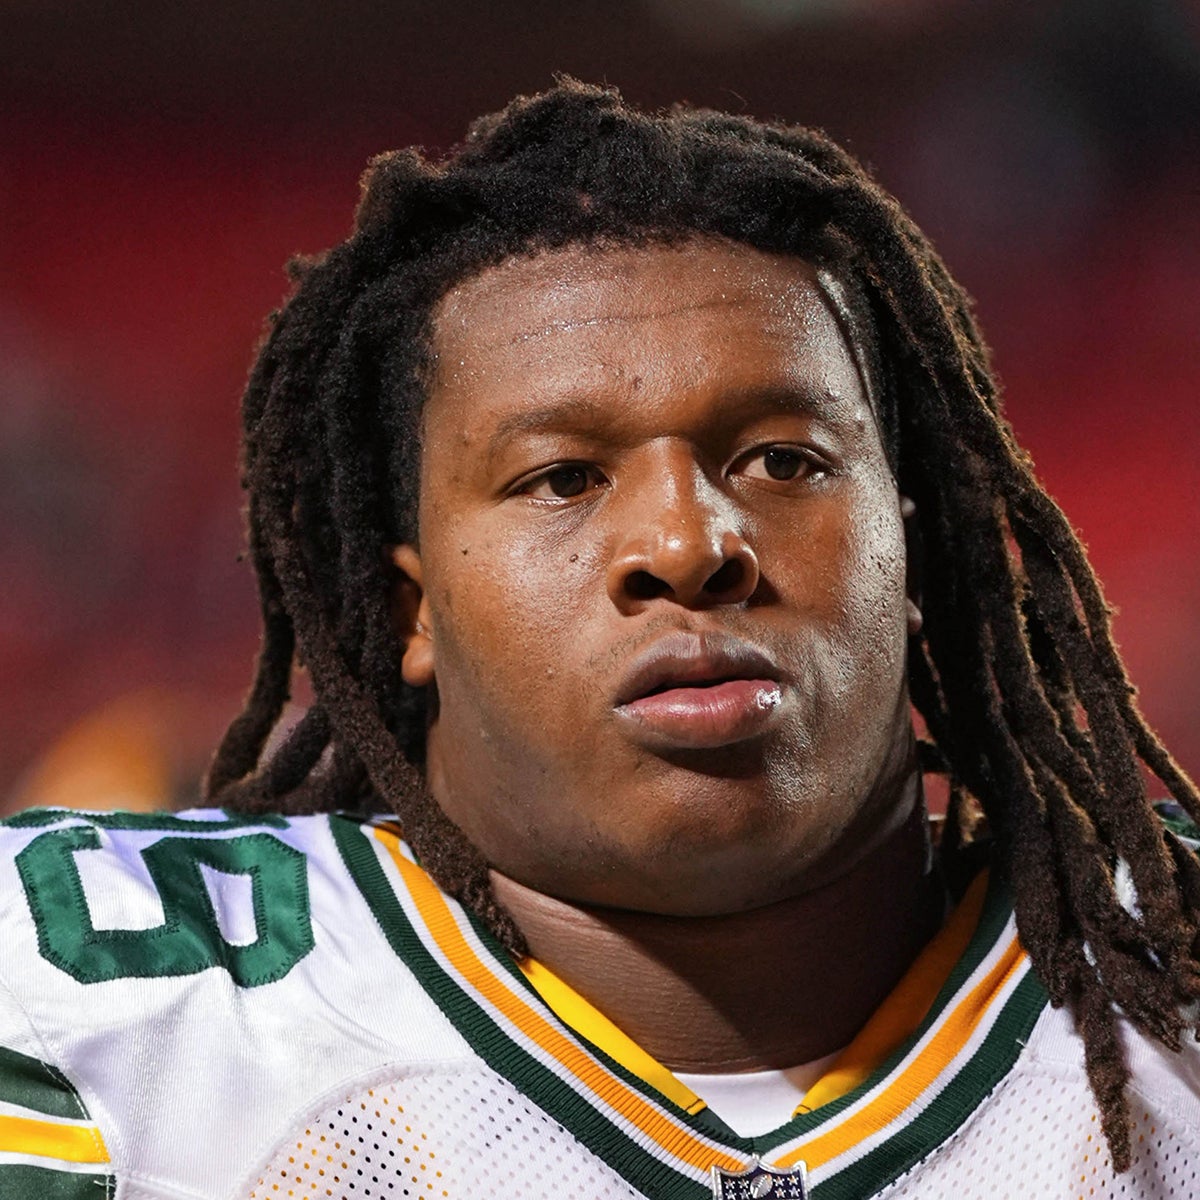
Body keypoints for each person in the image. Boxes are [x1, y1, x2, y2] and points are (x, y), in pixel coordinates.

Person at [2, 80, 1198, 1200]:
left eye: (784, 461)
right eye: (562, 476)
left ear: (914, 558)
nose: (687, 544)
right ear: (414, 609)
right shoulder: (89, 1018)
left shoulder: (1173, 994)